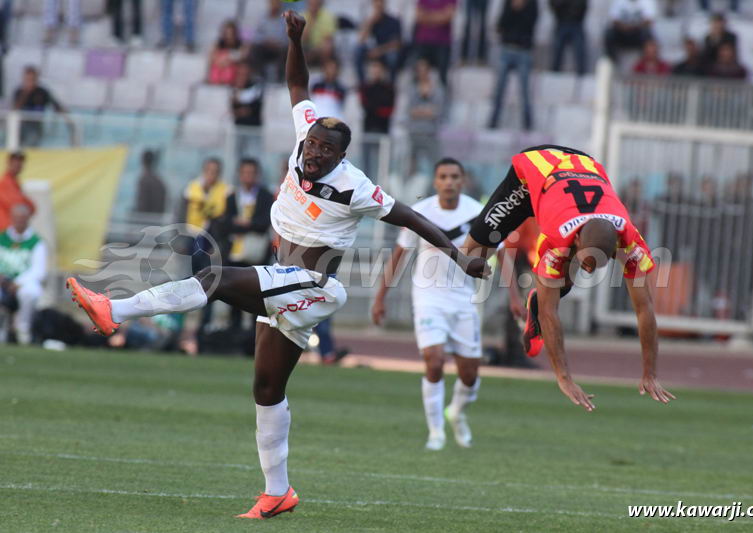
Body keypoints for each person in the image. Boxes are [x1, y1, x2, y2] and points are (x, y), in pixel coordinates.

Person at [66, 10, 489, 519]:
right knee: (266, 388)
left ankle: (115, 310)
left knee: (215, 277)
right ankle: (278, 492)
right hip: (283, 280)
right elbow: (296, 81)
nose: (313, 153)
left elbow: (414, 219)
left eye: (325, 150)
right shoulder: (305, 129)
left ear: (341, 156)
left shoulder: (357, 186)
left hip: (311, 284)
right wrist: (296, 39)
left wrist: (461, 257)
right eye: (311, 145)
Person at [461, 144, 676, 412]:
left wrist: (650, 373)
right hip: (534, 172)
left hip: (580, 169)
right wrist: (564, 377)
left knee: (563, 275)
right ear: (575, 239)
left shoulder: (630, 239)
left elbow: (645, 309)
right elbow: (550, 314)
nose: (589, 270)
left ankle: (534, 301)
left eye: (598, 265)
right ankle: (533, 299)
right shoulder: (555, 238)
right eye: (587, 262)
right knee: (469, 255)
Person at [372, 158, 522, 450]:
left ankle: (456, 413)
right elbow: (398, 256)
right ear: (435, 181)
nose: (449, 181)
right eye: (443, 176)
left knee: (469, 373)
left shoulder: (478, 213)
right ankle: (436, 432)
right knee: (435, 361)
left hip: (465, 299)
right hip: (428, 296)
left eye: (455, 176)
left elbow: (503, 255)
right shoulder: (421, 212)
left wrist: (515, 297)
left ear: (463, 180)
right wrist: (380, 298)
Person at [220, 158, 273, 332]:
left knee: (256, 297)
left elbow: (265, 223)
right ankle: (234, 333)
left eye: (251, 173)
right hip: (235, 253)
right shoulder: (231, 196)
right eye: (245, 173)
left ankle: (252, 336)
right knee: (235, 295)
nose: (248, 176)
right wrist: (248, 224)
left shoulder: (265, 196)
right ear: (239, 175)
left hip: (257, 253)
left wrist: (245, 224)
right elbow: (226, 223)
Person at [0, 203, 47, 345]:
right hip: (3, 282)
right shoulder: (3, 239)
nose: (19, 221)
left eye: (23, 218)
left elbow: (39, 270)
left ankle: (23, 330)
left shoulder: (35, 242)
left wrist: (18, 282)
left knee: (30, 293)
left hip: (23, 283)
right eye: (16, 218)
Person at [488, 0, 538, 130]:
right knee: (499, 89)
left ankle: (528, 124)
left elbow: (531, 24)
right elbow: (501, 24)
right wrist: (512, 9)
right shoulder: (508, 2)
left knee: (525, 90)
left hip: (524, 50)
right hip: (507, 48)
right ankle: (493, 121)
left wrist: (522, 8)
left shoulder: (532, 3)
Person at [13, 66, 71, 147]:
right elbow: (14, 109)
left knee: (31, 144)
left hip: (35, 126)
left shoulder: (42, 92)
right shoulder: (19, 92)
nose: (30, 82)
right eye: (27, 79)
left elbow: (56, 105)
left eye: (32, 79)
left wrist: (67, 116)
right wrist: (25, 93)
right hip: (20, 125)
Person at [408, 58, 445, 177]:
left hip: (431, 133)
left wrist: (420, 111)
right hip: (414, 133)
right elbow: (410, 111)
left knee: (435, 165)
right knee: (411, 165)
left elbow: (437, 111)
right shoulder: (412, 89)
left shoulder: (437, 90)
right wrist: (427, 111)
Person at [359, 59, 395, 178]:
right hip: (368, 129)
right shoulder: (365, 87)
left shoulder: (389, 88)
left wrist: (375, 107)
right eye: (373, 68)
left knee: (383, 162)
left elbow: (388, 110)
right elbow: (365, 106)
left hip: (383, 130)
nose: (376, 71)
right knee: (366, 163)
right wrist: (378, 107)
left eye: (378, 68)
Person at [355, 0, 402, 83]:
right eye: (376, 2)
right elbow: (361, 40)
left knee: (393, 56)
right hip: (372, 51)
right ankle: (362, 83)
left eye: (381, 2)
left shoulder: (393, 21)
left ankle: (391, 84)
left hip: (385, 52)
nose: (378, 4)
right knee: (358, 50)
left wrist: (379, 51)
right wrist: (371, 22)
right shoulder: (370, 21)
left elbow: (396, 44)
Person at [413, 0, 457, 85]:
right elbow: (419, 16)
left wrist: (428, 16)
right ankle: (418, 95)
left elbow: (448, 16)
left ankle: (442, 96)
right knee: (419, 73)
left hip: (442, 42)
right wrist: (439, 16)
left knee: (442, 76)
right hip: (423, 41)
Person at [248, 0, 289, 82]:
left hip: (280, 47)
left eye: (277, 3)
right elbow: (256, 36)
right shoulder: (262, 18)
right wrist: (266, 41)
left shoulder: (285, 19)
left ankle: (280, 78)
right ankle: (258, 76)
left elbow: (288, 37)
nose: (275, 5)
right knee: (255, 49)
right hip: (265, 46)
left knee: (287, 51)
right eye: (273, 2)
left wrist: (277, 43)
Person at [231, 63, 265, 157]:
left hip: (253, 128)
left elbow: (254, 108)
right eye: (240, 74)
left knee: (254, 155)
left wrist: (243, 110)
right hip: (238, 127)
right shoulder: (234, 88)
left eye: (245, 73)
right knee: (237, 154)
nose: (243, 76)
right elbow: (233, 109)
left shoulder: (257, 88)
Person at [550, 0, 588, 75]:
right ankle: (554, 73)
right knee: (557, 50)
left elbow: (583, 5)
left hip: (576, 23)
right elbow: (553, 4)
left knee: (579, 50)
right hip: (561, 22)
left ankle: (581, 74)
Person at [0, 151, 35, 232]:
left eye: (20, 161)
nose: (18, 164)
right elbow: (18, 207)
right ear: (8, 162)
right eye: (15, 161)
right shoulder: (5, 183)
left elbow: (30, 207)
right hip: (6, 233)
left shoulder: (15, 183)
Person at [208, 20, 244, 86]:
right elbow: (212, 55)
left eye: (231, 33)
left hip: (232, 65)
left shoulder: (239, 44)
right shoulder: (219, 43)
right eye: (227, 33)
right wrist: (220, 61)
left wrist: (228, 60)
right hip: (219, 64)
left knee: (230, 70)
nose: (229, 35)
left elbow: (241, 56)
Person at [302, 0, 337, 66]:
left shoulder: (327, 16)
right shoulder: (302, 16)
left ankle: (325, 70)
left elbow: (328, 38)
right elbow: (303, 39)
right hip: (306, 47)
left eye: (315, 3)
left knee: (327, 47)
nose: (313, 5)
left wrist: (317, 48)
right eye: (311, 3)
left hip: (320, 47)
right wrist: (311, 21)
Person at [134, 150, 167, 215]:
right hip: (157, 219)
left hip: (146, 220)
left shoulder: (144, 180)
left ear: (142, 161)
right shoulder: (159, 181)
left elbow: (142, 205)